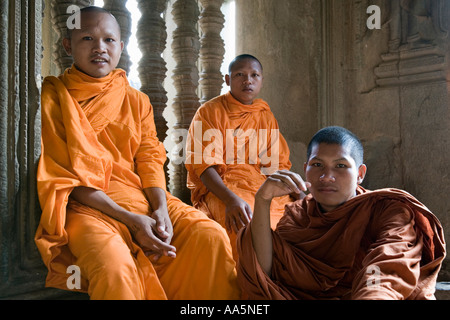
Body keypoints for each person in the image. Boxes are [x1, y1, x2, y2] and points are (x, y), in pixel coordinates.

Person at [34, 6, 240, 300]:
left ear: (121, 45)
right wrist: (130, 219)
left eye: (108, 40)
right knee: (115, 269)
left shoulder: (136, 100)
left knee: (209, 236)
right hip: (86, 208)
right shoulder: (53, 97)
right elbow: (63, 176)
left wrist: (160, 208)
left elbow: (149, 157)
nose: (99, 48)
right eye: (87, 39)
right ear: (68, 45)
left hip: (141, 197)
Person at [237, 126, 446, 299]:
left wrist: (372, 295)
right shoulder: (297, 216)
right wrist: (262, 200)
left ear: (360, 174)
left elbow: (386, 265)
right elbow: (265, 271)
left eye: (340, 166)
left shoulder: (387, 210)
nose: (327, 176)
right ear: (305, 168)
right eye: (317, 164)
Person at [185, 54, 292, 261]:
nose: (247, 80)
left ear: (261, 80)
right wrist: (231, 199)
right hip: (222, 186)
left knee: (292, 220)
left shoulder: (264, 115)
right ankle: (250, 284)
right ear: (227, 80)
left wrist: (298, 193)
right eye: (240, 75)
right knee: (245, 223)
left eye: (254, 75)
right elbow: (205, 168)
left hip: (258, 183)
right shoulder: (209, 112)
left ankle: (282, 285)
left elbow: (277, 166)